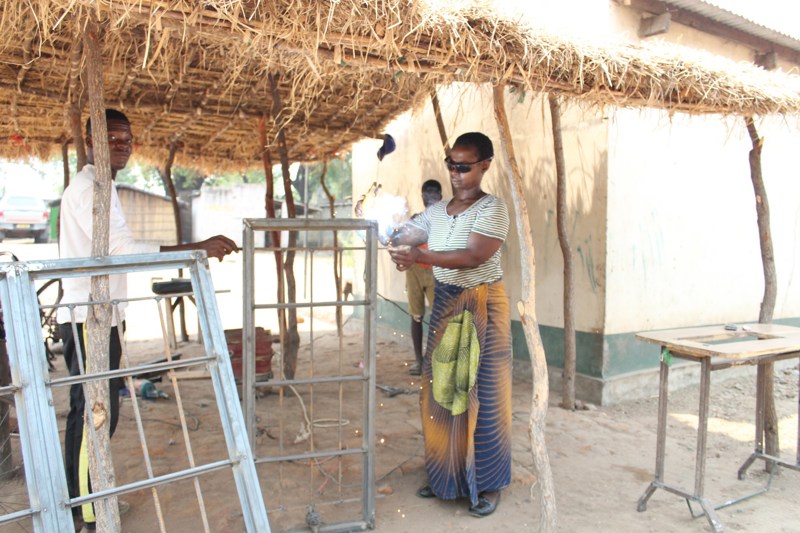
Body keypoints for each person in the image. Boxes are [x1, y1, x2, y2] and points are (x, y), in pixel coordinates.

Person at [57, 109, 238, 532]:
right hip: (88, 318)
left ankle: (89, 501)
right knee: (93, 413)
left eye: (127, 139)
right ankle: (83, 511)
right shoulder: (89, 188)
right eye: (114, 139)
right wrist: (196, 247)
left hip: (104, 314)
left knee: (102, 410)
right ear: (93, 140)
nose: (123, 146)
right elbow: (123, 250)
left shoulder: (103, 186)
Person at [387, 132, 511, 518]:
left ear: (485, 165)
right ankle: (445, 477)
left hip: (483, 303)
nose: (456, 173)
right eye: (451, 166)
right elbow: (410, 233)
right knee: (440, 394)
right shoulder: (437, 211)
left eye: (464, 166)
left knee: (485, 396)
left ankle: (488, 484)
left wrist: (419, 257)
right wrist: (395, 236)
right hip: (446, 303)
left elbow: (473, 256)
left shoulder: (493, 209)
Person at [406, 179, 442, 376]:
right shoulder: (416, 219)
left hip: (437, 270)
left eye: (433, 195)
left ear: (440, 197)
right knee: (416, 315)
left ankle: (434, 360)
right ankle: (419, 361)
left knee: (439, 317)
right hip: (415, 272)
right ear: (422, 197)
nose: (430, 198)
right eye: (427, 194)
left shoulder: (445, 221)